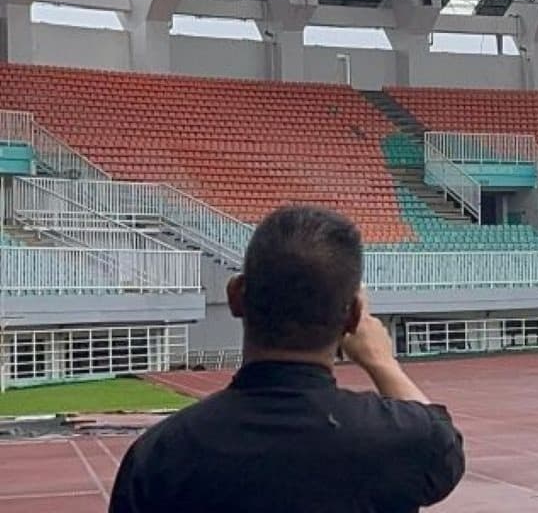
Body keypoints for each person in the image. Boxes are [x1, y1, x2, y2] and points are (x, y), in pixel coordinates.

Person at [110, 206, 465, 512]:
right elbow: (445, 444)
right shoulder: (402, 438)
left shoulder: (160, 455)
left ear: (236, 296)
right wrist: (382, 362)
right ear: (354, 317)